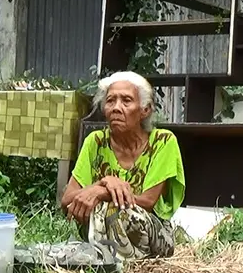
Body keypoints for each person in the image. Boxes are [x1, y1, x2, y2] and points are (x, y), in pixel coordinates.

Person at [61, 71, 185, 260]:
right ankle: (109, 264)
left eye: (126, 101)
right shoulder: (95, 142)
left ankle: (118, 268)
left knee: (115, 211)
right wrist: (102, 184)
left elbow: (148, 202)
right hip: (101, 233)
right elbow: (67, 200)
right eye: (110, 101)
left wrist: (104, 192)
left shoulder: (163, 142)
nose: (116, 108)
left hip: (152, 237)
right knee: (101, 209)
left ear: (145, 110)